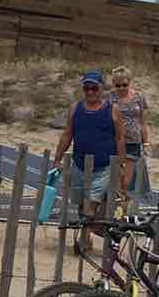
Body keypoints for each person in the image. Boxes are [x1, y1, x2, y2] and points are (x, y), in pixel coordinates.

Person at [52, 70, 128, 249]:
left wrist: (121, 163)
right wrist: (57, 158)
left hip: (104, 167)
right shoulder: (75, 108)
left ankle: (83, 240)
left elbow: (120, 138)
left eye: (94, 88)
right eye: (87, 88)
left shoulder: (112, 110)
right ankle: (90, 232)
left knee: (91, 205)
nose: (90, 92)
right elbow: (67, 134)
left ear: (101, 88)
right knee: (81, 204)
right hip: (80, 165)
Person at [110, 65, 150, 192]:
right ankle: (113, 207)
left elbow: (142, 121)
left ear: (129, 82)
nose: (121, 88)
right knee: (116, 178)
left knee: (127, 182)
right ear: (113, 84)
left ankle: (123, 209)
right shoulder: (110, 98)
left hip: (133, 142)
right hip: (115, 142)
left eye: (124, 85)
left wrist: (146, 141)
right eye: (118, 85)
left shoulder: (139, 97)